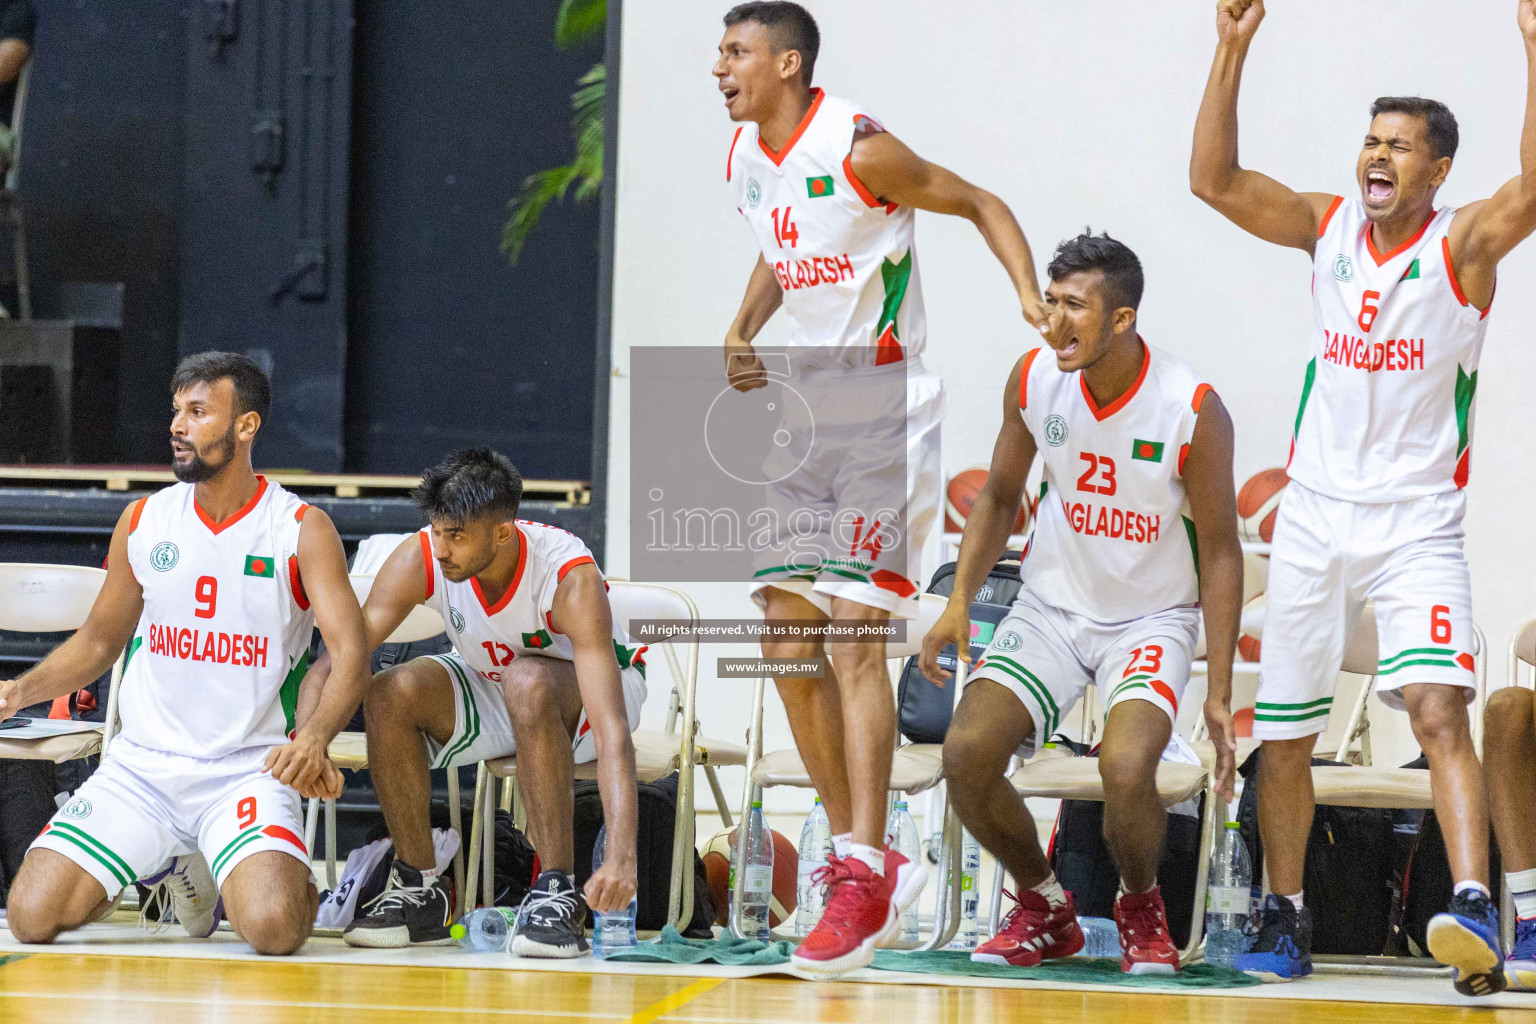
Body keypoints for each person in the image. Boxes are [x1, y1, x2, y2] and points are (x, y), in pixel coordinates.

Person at [1190, 0, 1536, 993]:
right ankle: (1285, 912)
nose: (1377, 156)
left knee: (1439, 707)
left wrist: (1532, 47)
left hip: (1414, 522)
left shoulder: (1461, 249)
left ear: (1436, 173)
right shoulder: (1325, 226)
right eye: (1371, 140)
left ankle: (1473, 902)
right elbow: (1210, 180)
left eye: (1399, 147)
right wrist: (1232, 46)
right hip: (1314, 515)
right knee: (1284, 733)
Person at [715, 1, 1052, 977]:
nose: (718, 68)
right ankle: (861, 852)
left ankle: (862, 860)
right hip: (805, 411)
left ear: (787, 63)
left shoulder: (862, 148)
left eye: (734, 52)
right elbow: (783, 252)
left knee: (855, 643)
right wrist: (744, 326)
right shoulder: (747, 154)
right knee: (784, 629)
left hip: (883, 402)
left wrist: (1026, 294)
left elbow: (980, 199)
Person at [922, 233, 1241, 975]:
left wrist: (1219, 687)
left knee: (1126, 769)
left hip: (1151, 618)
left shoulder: (1190, 407)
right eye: (1052, 302)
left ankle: (1139, 905)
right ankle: (1043, 905)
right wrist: (958, 602)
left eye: (1075, 307)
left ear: (1123, 319)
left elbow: (1223, 553)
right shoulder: (1035, 378)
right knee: (966, 754)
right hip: (1053, 608)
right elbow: (1001, 495)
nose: (1055, 322)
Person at [1, 351, 369, 955]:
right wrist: (18, 692)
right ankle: (168, 865)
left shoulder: (300, 528)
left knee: (275, 931)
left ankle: (274, 866)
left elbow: (351, 656)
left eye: (198, 412)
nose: (178, 425)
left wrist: (313, 739)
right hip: (142, 768)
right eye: (177, 410)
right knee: (32, 917)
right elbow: (99, 640)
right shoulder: (144, 519)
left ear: (245, 426)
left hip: (246, 769)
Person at [305, 448, 646, 957]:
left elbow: (614, 731)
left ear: (503, 532)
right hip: (497, 681)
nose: (441, 549)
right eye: (438, 531)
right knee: (389, 691)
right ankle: (419, 887)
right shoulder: (422, 557)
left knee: (527, 678)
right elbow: (341, 658)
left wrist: (621, 856)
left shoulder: (567, 577)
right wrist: (310, 738)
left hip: (597, 693)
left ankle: (557, 891)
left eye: (457, 535)